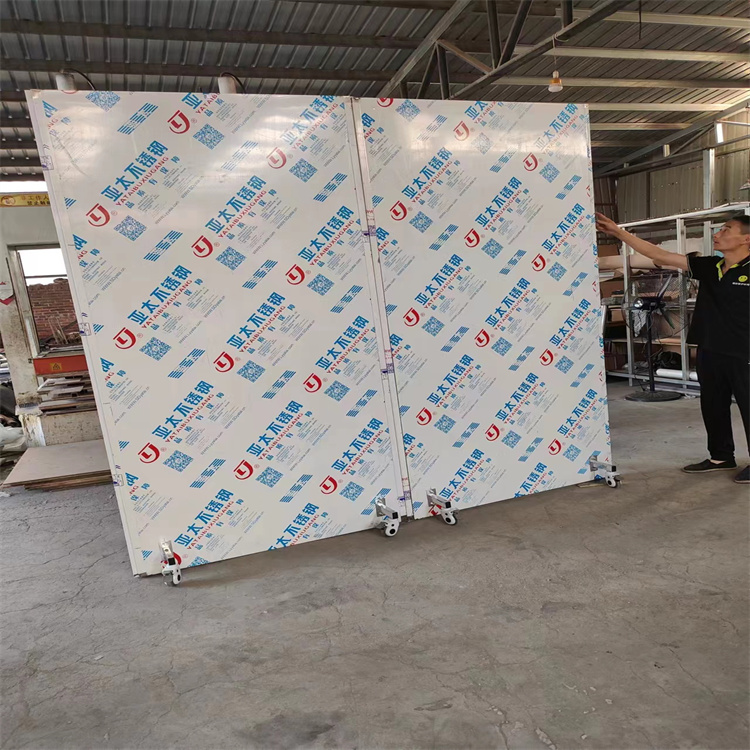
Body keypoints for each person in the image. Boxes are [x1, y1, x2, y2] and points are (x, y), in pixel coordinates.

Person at [595, 212, 750, 484]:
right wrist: (619, 233)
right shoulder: (710, 266)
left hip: (744, 352)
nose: (717, 234)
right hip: (709, 348)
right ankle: (721, 456)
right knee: (713, 404)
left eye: (726, 229)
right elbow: (660, 256)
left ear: (746, 239)